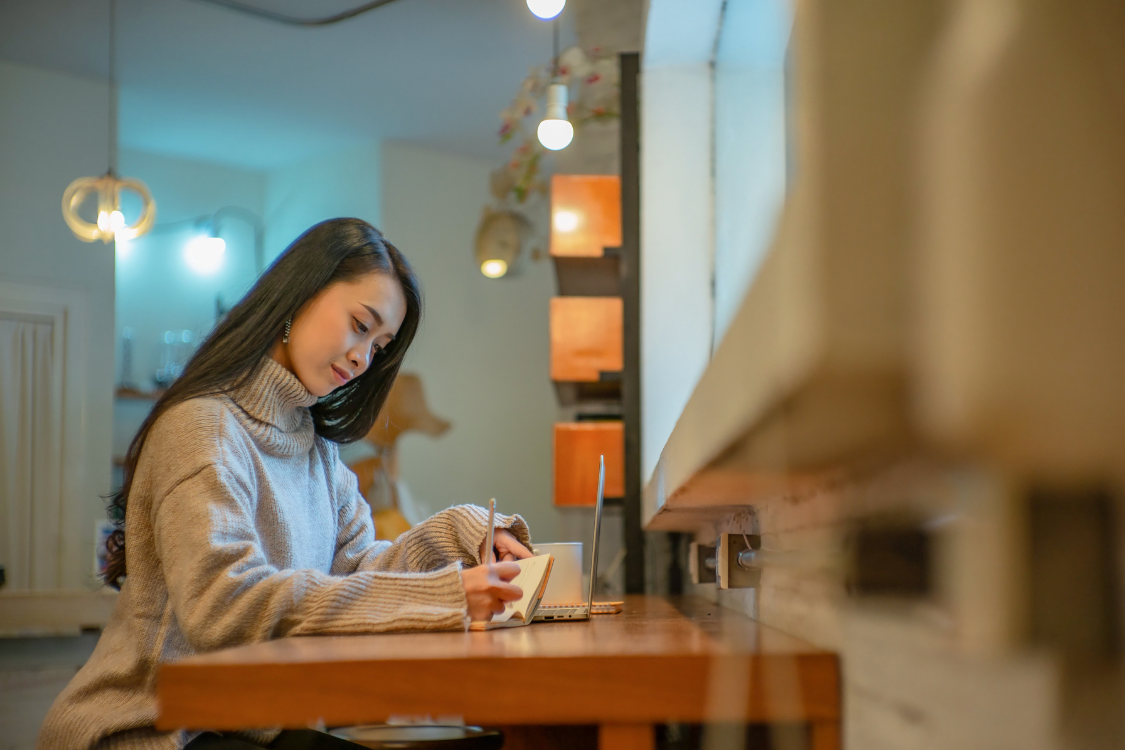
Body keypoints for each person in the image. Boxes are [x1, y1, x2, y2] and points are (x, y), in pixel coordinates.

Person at [38, 218, 533, 750]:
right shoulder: (203, 427)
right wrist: (445, 596)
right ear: (300, 295)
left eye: (380, 345)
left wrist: (462, 533)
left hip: (246, 725)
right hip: (147, 728)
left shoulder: (317, 450)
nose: (364, 357)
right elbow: (225, 606)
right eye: (360, 325)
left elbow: (360, 570)